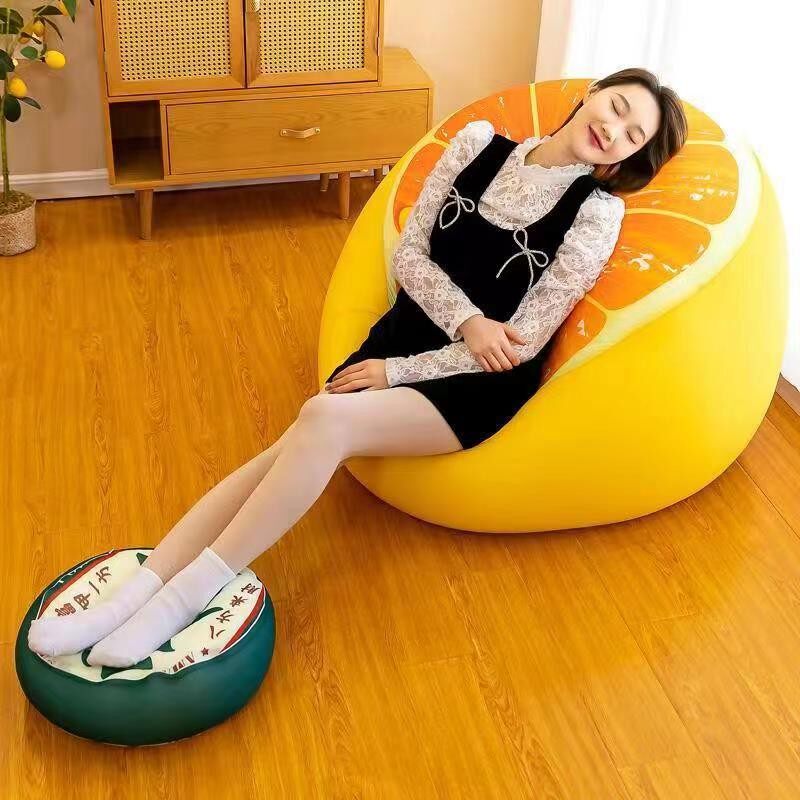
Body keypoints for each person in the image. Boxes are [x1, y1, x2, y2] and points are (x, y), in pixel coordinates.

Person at [28, 67, 687, 668]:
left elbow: (517, 344)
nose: (614, 130)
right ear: (592, 94)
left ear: (630, 159)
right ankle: (131, 597)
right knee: (285, 448)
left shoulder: (595, 214)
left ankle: (179, 601)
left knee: (321, 420)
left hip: (473, 383)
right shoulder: (477, 144)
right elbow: (409, 257)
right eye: (617, 107)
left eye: (633, 135)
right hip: (404, 334)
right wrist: (465, 319)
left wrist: (396, 373)